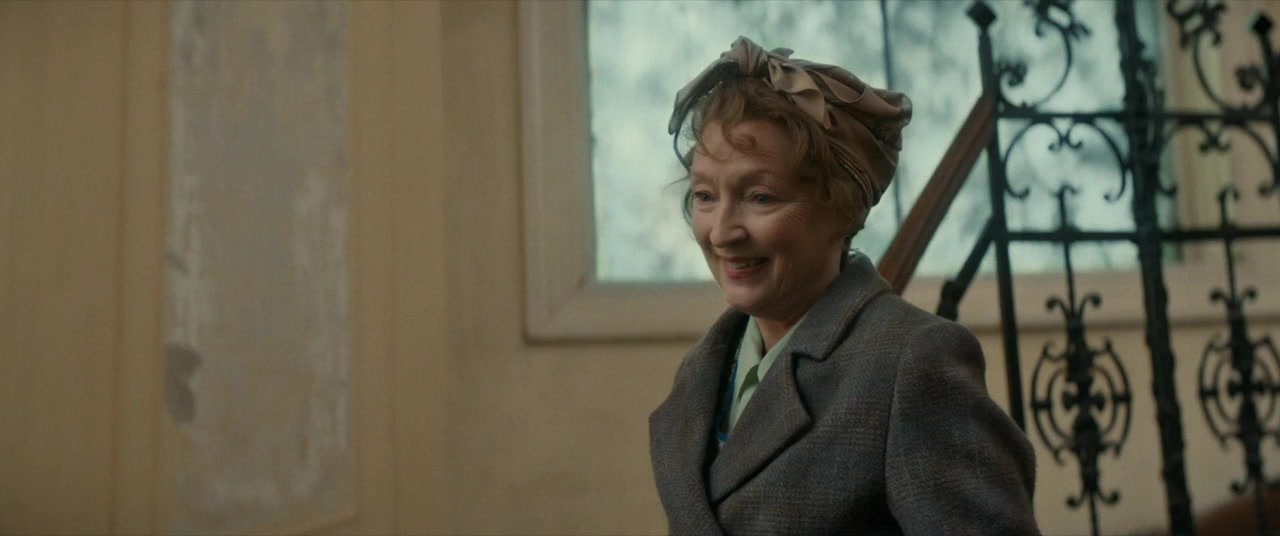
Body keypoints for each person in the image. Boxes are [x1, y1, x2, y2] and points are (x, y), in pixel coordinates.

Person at [649, 36, 1039, 535]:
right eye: (704, 195)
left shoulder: (912, 364)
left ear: (842, 208)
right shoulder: (700, 374)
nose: (722, 232)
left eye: (760, 197)